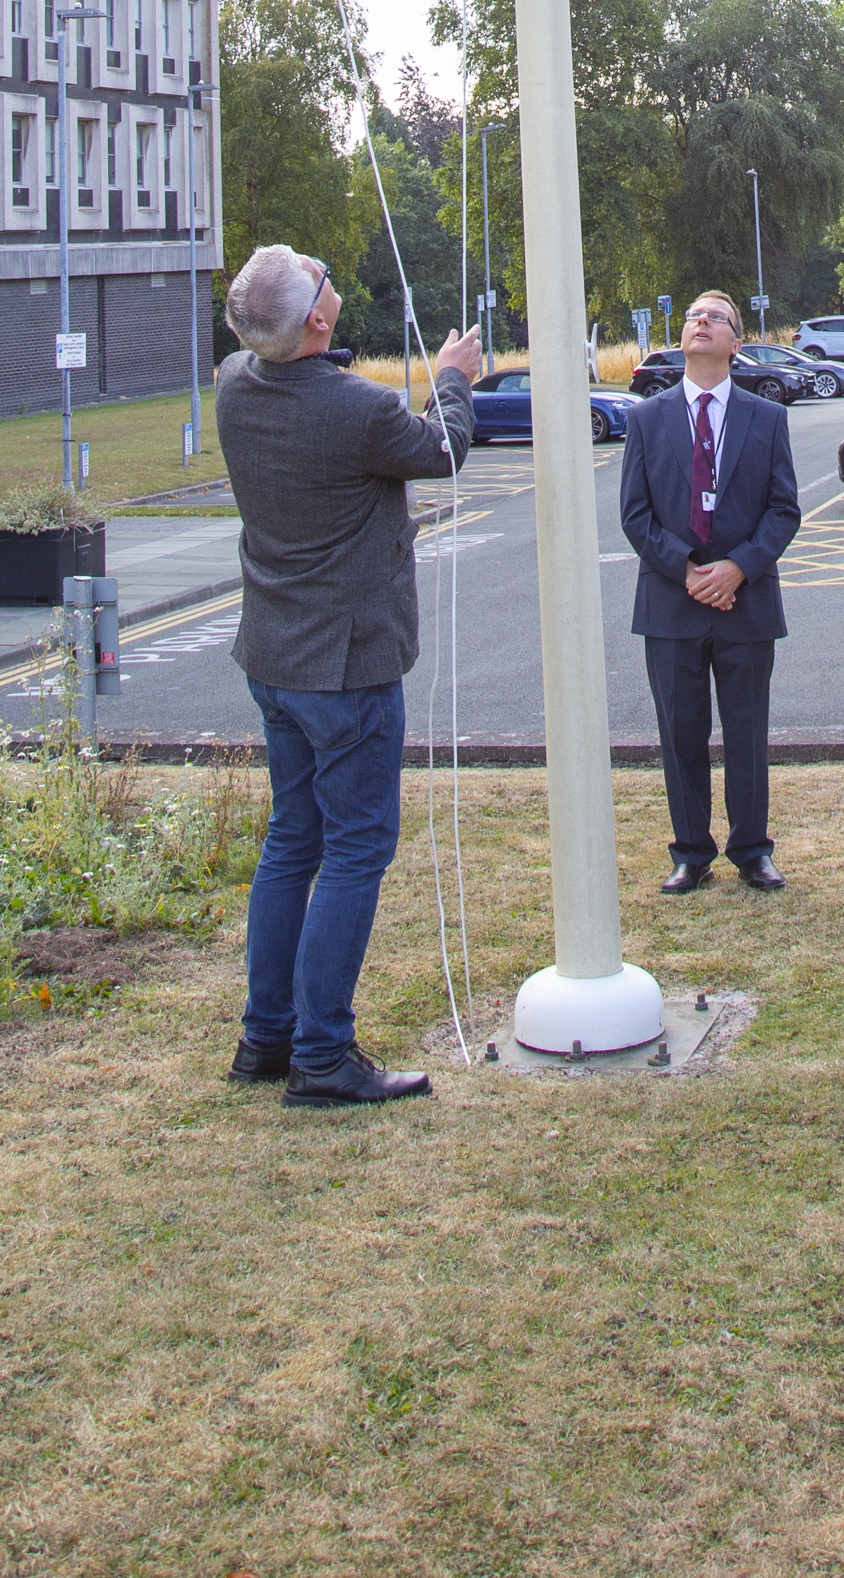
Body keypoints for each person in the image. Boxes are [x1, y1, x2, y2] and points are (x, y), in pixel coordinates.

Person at [213, 242, 481, 1105]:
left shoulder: (232, 383)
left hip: (274, 655)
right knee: (356, 845)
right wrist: (453, 374)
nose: (330, 280)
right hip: (346, 666)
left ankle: (268, 1036)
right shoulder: (356, 408)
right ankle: (322, 1053)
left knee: (295, 837)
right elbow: (442, 451)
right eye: (321, 279)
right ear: (319, 321)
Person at [619, 289, 802, 894]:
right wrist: (691, 570)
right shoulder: (646, 417)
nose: (701, 323)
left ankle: (752, 848)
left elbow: (783, 511)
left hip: (745, 602)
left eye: (715, 317)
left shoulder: (767, 417)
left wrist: (737, 570)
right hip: (672, 603)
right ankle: (690, 850)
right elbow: (635, 515)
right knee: (681, 734)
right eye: (694, 316)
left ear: (736, 341)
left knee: (748, 733)